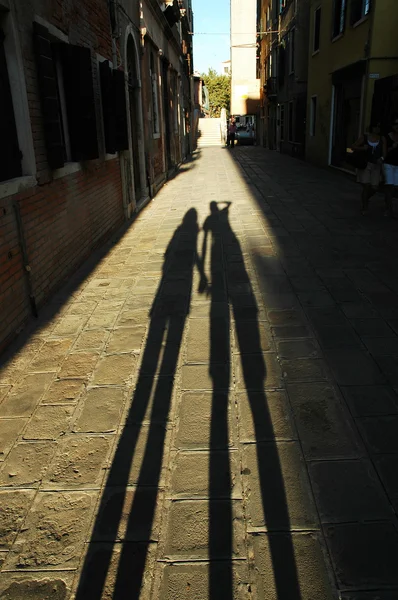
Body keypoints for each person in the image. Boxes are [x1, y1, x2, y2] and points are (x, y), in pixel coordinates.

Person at [352, 123, 384, 215]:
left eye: (378, 127)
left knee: (374, 187)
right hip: (365, 164)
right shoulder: (365, 137)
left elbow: (384, 153)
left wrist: (381, 159)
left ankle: (365, 199)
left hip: (376, 165)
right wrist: (362, 148)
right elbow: (352, 147)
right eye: (375, 126)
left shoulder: (382, 139)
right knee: (366, 186)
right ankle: (364, 206)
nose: (376, 129)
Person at [383, 116, 398, 218]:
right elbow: (384, 152)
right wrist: (392, 147)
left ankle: (391, 208)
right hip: (388, 164)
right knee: (389, 186)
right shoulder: (387, 137)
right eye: (396, 124)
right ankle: (389, 209)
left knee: (396, 188)